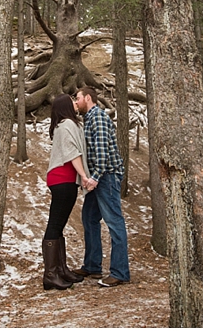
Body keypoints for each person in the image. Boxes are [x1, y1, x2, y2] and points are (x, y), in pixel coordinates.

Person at [73, 87, 130, 287]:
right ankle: (92, 265)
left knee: (114, 222)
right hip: (98, 178)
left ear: (88, 98)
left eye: (78, 98)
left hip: (106, 177)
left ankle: (120, 272)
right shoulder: (89, 118)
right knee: (89, 219)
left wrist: (94, 178)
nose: (76, 102)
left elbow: (102, 152)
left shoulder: (97, 117)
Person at [42, 93, 92, 290]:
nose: (74, 102)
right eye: (71, 100)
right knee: (55, 224)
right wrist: (84, 176)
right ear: (65, 106)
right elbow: (73, 153)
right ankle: (50, 274)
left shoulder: (65, 125)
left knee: (59, 224)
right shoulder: (67, 125)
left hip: (64, 179)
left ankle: (60, 269)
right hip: (63, 178)